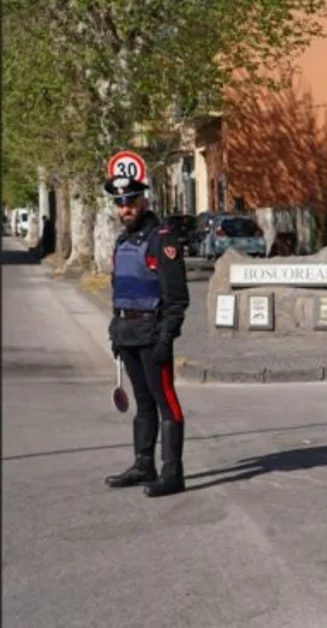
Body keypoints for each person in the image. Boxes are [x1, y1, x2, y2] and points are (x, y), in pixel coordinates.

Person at [102, 175, 191, 498]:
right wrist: (116, 330)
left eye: (131, 202)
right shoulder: (122, 242)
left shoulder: (161, 239)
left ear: (144, 201)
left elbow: (177, 297)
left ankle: (172, 473)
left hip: (153, 335)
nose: (125, 209)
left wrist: (167, 336)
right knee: (142, 404)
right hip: (127, 334)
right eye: (120, 204)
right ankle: (144, 465)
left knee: (165, 401)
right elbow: (120, 290)